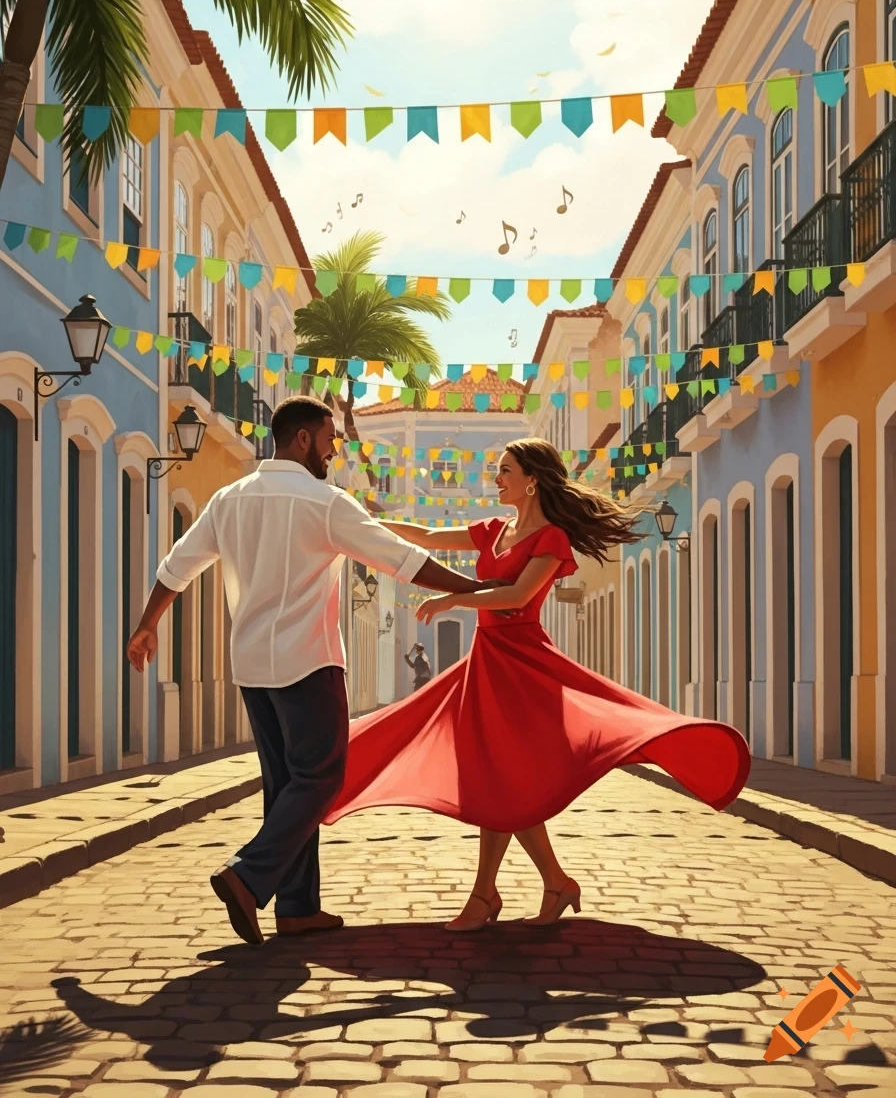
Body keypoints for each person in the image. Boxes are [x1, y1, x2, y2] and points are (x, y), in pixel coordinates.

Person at [324, 437, 751, 931]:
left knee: (501, 777)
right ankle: (542, 885)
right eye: (496, 470)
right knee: (500, 778)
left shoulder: (550, 539)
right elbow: (423, 535)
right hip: (487, 661)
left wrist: (452, 601)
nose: (497, 478)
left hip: (523, 664)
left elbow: (520, 594)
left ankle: (493, 894)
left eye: (505, 470)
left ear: (531, 479)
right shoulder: (493, 532)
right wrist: (358, 524)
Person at [126, 396, 507, 947]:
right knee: (322, 777)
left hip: (252, 665)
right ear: (302, 439)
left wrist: (147, 624)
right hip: (309, 663)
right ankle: (247, 875)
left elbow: (177, 566)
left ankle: (299, 909)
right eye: (330, 439)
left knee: (286, 786)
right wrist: (478, 591)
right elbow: (403, 560)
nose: (335, 450)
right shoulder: (326, 502)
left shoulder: (229, 500)